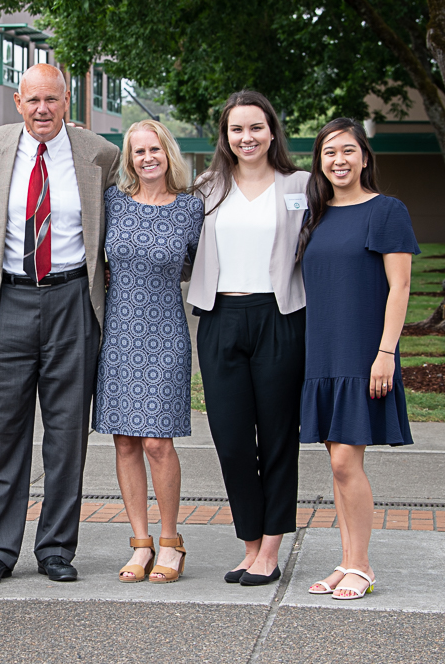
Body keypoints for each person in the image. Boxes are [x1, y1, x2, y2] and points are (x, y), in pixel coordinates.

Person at [0, 64, 120, 585]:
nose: (42, 109)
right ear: (18, 101)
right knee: (4, 432)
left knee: (66, 437)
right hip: (9, 301)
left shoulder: (99, 155)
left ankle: (57, 549)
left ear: (67, 102)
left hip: (73, 302)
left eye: (53, 100)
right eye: (33, 100)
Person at [187, 90, 309, 586]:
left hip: (279, 316)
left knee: (278, 437)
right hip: (220, 316)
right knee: (233, 441)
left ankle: (272, 549)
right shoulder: (206, 188)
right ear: (226, 136)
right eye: (237, 129)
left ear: (272, 131)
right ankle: (250, 544)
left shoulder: (301, 184)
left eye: (256, 127)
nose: (247, 137)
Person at [298, 118, 417, 600]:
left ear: (365, 157)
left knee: (347, 462)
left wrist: (386, 352)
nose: (339, 161)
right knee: (337, 464)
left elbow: (401, 286)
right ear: (320, 162)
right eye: (329, 153)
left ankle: (362, 565)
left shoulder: (386, 211)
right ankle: (346, 561)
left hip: (364, 352)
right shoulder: (317, 214)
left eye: (348, 151)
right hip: (322, 353)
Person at [95, 120, 203, 583]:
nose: (147, 158)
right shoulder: (112, 203)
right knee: (125, 441)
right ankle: (140, 542)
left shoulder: (190, 209)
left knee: (158, 442)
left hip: (165, 335)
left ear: (168, 153)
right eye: (138, 151)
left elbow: (206, 268)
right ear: (129, 158)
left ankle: (171, 540)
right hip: (118, 334)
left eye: (154, 149)